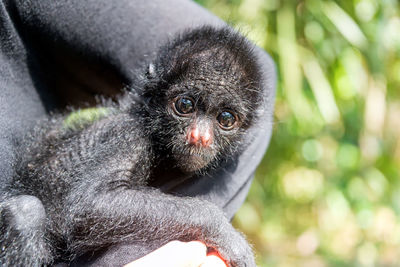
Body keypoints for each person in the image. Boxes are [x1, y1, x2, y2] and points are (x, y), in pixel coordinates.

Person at [0, 0, 275, 266]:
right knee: (26, 213)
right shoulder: (129, 132)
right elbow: (92, 207)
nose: (199, 135)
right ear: (153, 94)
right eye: (184, 105)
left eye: (226, 119)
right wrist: (205, 219)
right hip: (34, 230)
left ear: (248, 124)